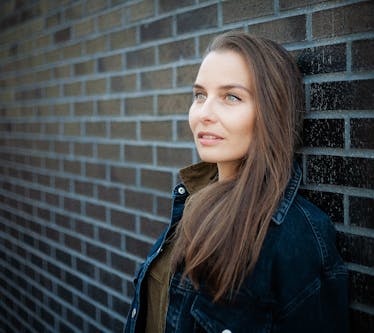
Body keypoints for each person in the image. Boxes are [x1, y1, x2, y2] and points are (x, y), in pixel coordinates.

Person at [124, 31, 349, 333]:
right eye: (200, 95)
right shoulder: (192, 199)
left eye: (231, 96)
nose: (204, 113)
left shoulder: (293, 237)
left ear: (272, 112)